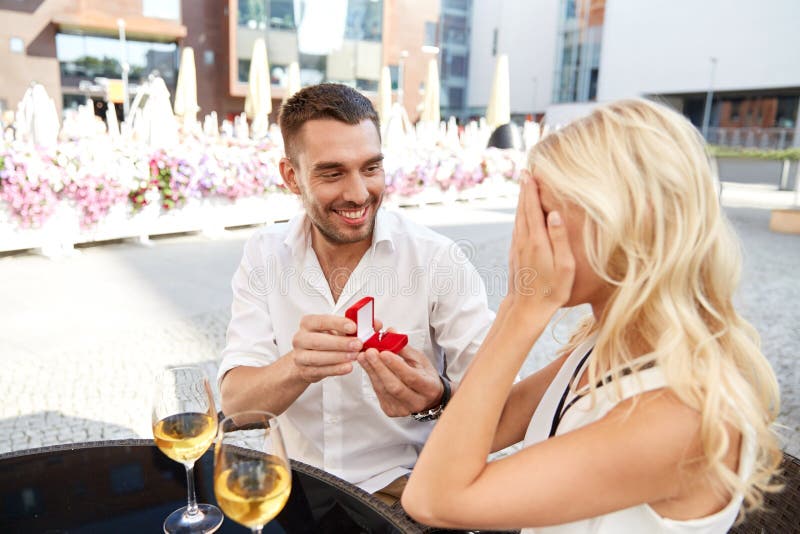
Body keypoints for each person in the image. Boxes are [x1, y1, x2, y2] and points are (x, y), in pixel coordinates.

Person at [401, 99, 782, 532]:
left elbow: (432, 498)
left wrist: (523, 311)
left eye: (543, 216)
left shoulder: (676, 416)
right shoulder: (606, 343)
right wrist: (437, 393)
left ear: (627, 222)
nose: (526, 239)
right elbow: (497, 422)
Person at [218, 83, 494, 502]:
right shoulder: (264, 254)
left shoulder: (437, 258)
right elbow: (236, 404)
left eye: (371, 168)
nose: (358, 193)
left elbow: (496, 396)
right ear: (291, 177)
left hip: (404, 487)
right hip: (296, 488)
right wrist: (298, 366)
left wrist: (439, 396)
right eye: (332, 173)